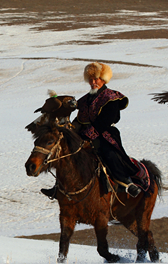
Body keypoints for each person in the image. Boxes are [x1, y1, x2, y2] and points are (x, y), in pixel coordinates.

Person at [41, 62, 147, 199]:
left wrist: (88, 134)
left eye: (96, 79)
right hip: (84, 134)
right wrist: (69, 131)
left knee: (109, 154)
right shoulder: (85, 100)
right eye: (90, 79)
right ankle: (58, 187)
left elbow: (105, 121)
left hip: (106, 135)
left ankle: (126, 184)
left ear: (103, 79)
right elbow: (80, 119)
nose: (93, 82)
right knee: (66, 154)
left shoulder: (112, 97)